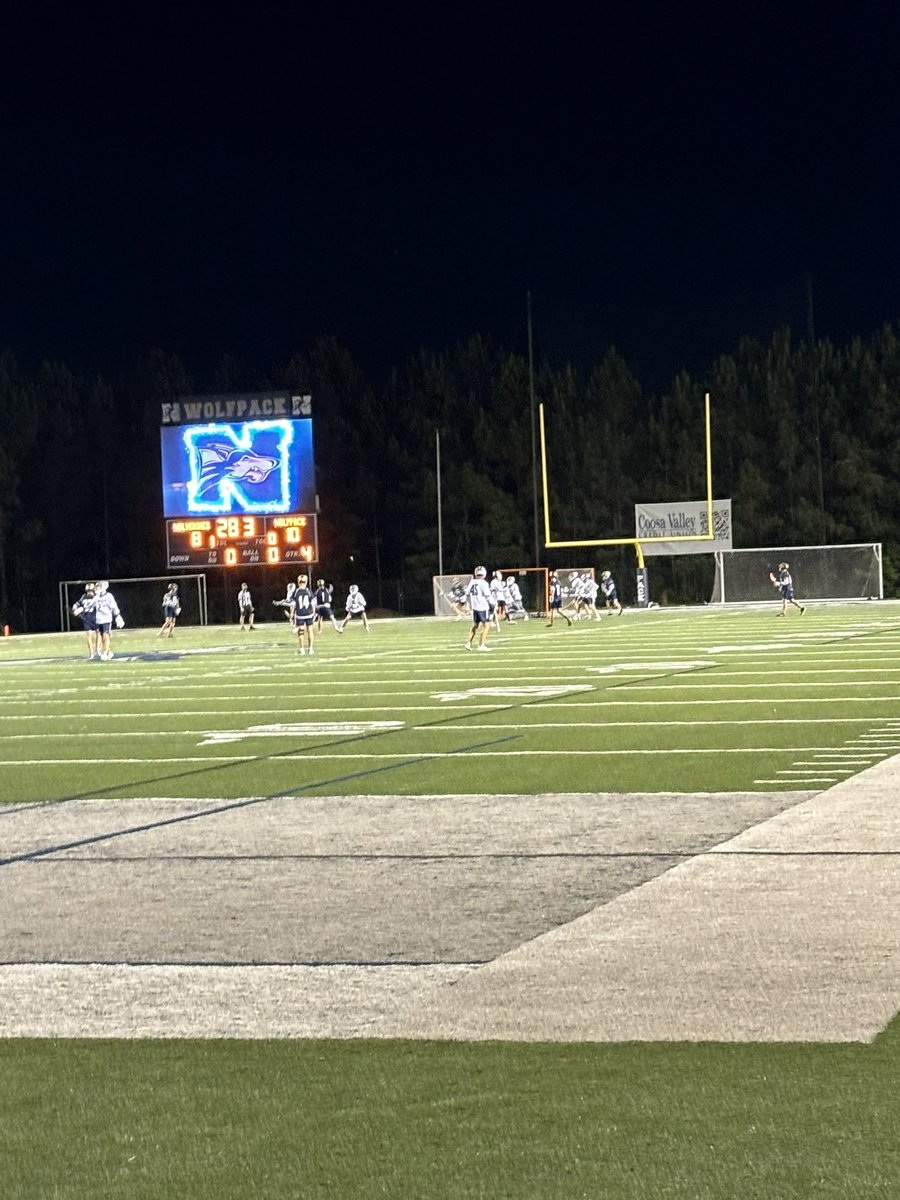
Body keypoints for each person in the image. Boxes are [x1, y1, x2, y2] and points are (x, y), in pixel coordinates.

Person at [93, 581, 124, 661]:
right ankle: (109, 652)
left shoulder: (109, 596)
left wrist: (118, 616)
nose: (97, 588)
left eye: (99, 587)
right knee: (102, 637)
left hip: (106, 619)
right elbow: (91, 606)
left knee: (105, 636)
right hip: (98, 619)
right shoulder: (96, 597)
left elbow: (114, 607)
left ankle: (105, 653)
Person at [464, 565, 493, 650]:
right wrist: (493, 604)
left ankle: (468, 643)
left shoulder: (472, 582)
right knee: (486, 625)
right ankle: (481, 645)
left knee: (475, 625)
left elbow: (467, 593)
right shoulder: (484, 583)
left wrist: (468, 604)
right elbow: (488, 595)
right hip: (483, 607)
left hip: (475, 607)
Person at [72, 581, 99, 659]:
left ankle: (98, 649)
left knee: (99, 634)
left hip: (96, 617)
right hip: (87, 618)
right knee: (88, 635)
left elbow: (90, 606)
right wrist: (75, 608)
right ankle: (91, 652)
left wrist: (81, 609)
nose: (89, 593)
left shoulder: (97, 597)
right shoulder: (83, 597)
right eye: (88, 591)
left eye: (91, 591)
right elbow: (77, 604)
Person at [292, 573, 315, 654]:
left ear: (298, 582)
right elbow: (313, 603)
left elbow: (293, 604)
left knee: (301, 631)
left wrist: (292, 615)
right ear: (306, 582)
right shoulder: (308, 591)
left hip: (300, 614)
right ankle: (310, 648)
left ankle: (302, 649)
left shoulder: (296, 591)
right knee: (310, 630)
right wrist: (314, 613)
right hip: (309, 613)